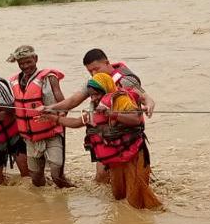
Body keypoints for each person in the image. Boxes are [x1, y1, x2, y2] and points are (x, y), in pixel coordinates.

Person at [41, 73, 161, 209]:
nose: (94, 98)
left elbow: (135, 119)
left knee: (137, 195)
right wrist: (53, 118)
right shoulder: (95, 109)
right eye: (91, 95)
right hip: (116, 158)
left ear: (106, 90)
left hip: (134, 154)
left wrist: (112, 114)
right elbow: (75, 122)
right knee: (118, 195)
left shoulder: (121, 99)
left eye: (97, 94)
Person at [43, 48, 156, 183]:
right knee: (101, 177)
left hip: (128, 134)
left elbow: (145, 97)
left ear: (107, 63)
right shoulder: (94, 83)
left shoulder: (125, 80)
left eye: (96, 69)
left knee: (136, 178)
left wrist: (149, 106)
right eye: (90, 71)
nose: (94, 73)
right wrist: (50, 108)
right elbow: (73, 101)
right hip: (105, 135)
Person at [8, 45, 75, 189]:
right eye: (22, 63)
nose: (25, 66)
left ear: (35, 59)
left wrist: (57, 117)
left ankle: (72, 197)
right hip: (31, 139)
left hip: (52, 135)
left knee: (57, 177)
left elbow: (64, 105)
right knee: (36, 181)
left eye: (28, 62)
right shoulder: (14, 81)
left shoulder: (49, 78)